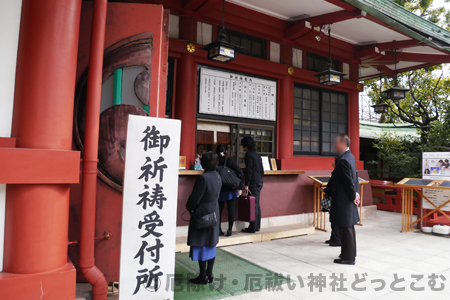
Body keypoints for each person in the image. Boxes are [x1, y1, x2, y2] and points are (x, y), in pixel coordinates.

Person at [186, 152, 222, 284]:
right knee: (211, 243)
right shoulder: (217, 176)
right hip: (214, 213)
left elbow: (195, 199)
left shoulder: (203, 178)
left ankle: (202, 276)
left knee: (201, 244)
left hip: (202, 214)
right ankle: (209, 274)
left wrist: (189, 207)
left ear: (203, 163)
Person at [326, 134, 360, 265]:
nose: (335, 145)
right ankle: (347, 253)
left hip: (344, 200)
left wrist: (353, 196)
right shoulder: (350, 157)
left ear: (343, 144)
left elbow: (348, 182)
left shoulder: (344, 160)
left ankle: (349, 257)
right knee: (346, 228)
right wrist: (356, 194)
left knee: (346, 229)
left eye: (337, 143)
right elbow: (355, 178)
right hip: (348, 198)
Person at [216, 144, 244, 237]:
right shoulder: (230, 160)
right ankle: (230, 229)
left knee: (218, 210)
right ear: (226, 152)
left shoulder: (215, 162)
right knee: (231, 209)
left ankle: (219, 229)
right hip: (231, 189)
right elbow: (240, 172)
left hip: (219, 189)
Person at [240, 136, 264, 234]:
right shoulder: (257, 155)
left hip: (253, 182)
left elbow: (249, 171)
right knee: (257, 204)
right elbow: (262, 171)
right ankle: (257, 226)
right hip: (259, 181)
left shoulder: (248, 155)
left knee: (253, 205)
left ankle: (252, 227)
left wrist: (247, 184)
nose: (242, 148)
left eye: (243, 146)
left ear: (246, 146)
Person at [325, 157, 341, 247]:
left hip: (335, 198)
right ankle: (333, 237)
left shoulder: (337, 173)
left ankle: (337, 239)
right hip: (333, 197)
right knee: (332, 219)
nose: (332, 162)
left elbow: (334, 187)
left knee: (335, 220)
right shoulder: (335, 172)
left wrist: (327, 190)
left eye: (334, 161)